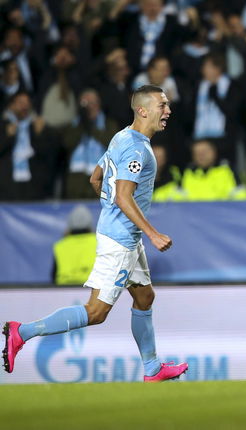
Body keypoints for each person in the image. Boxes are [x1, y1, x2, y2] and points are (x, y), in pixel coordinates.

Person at [3, 85, 188, 382]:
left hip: (123, 235)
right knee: (96, 312)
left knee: (144, 297)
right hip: (120, 240)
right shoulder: (138, 148)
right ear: (142, 109)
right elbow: (123, 197)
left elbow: (95, 177)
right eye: (162, 105)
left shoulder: (121, 136)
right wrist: (152, 233)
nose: (168, 111)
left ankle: (153, 368)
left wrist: (113, 212)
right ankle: (20, 332)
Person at [52, 205, 97, 286]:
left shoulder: (60, 245)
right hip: (91, 286)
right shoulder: (98, 241)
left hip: (63, 289)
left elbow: (53, 275)